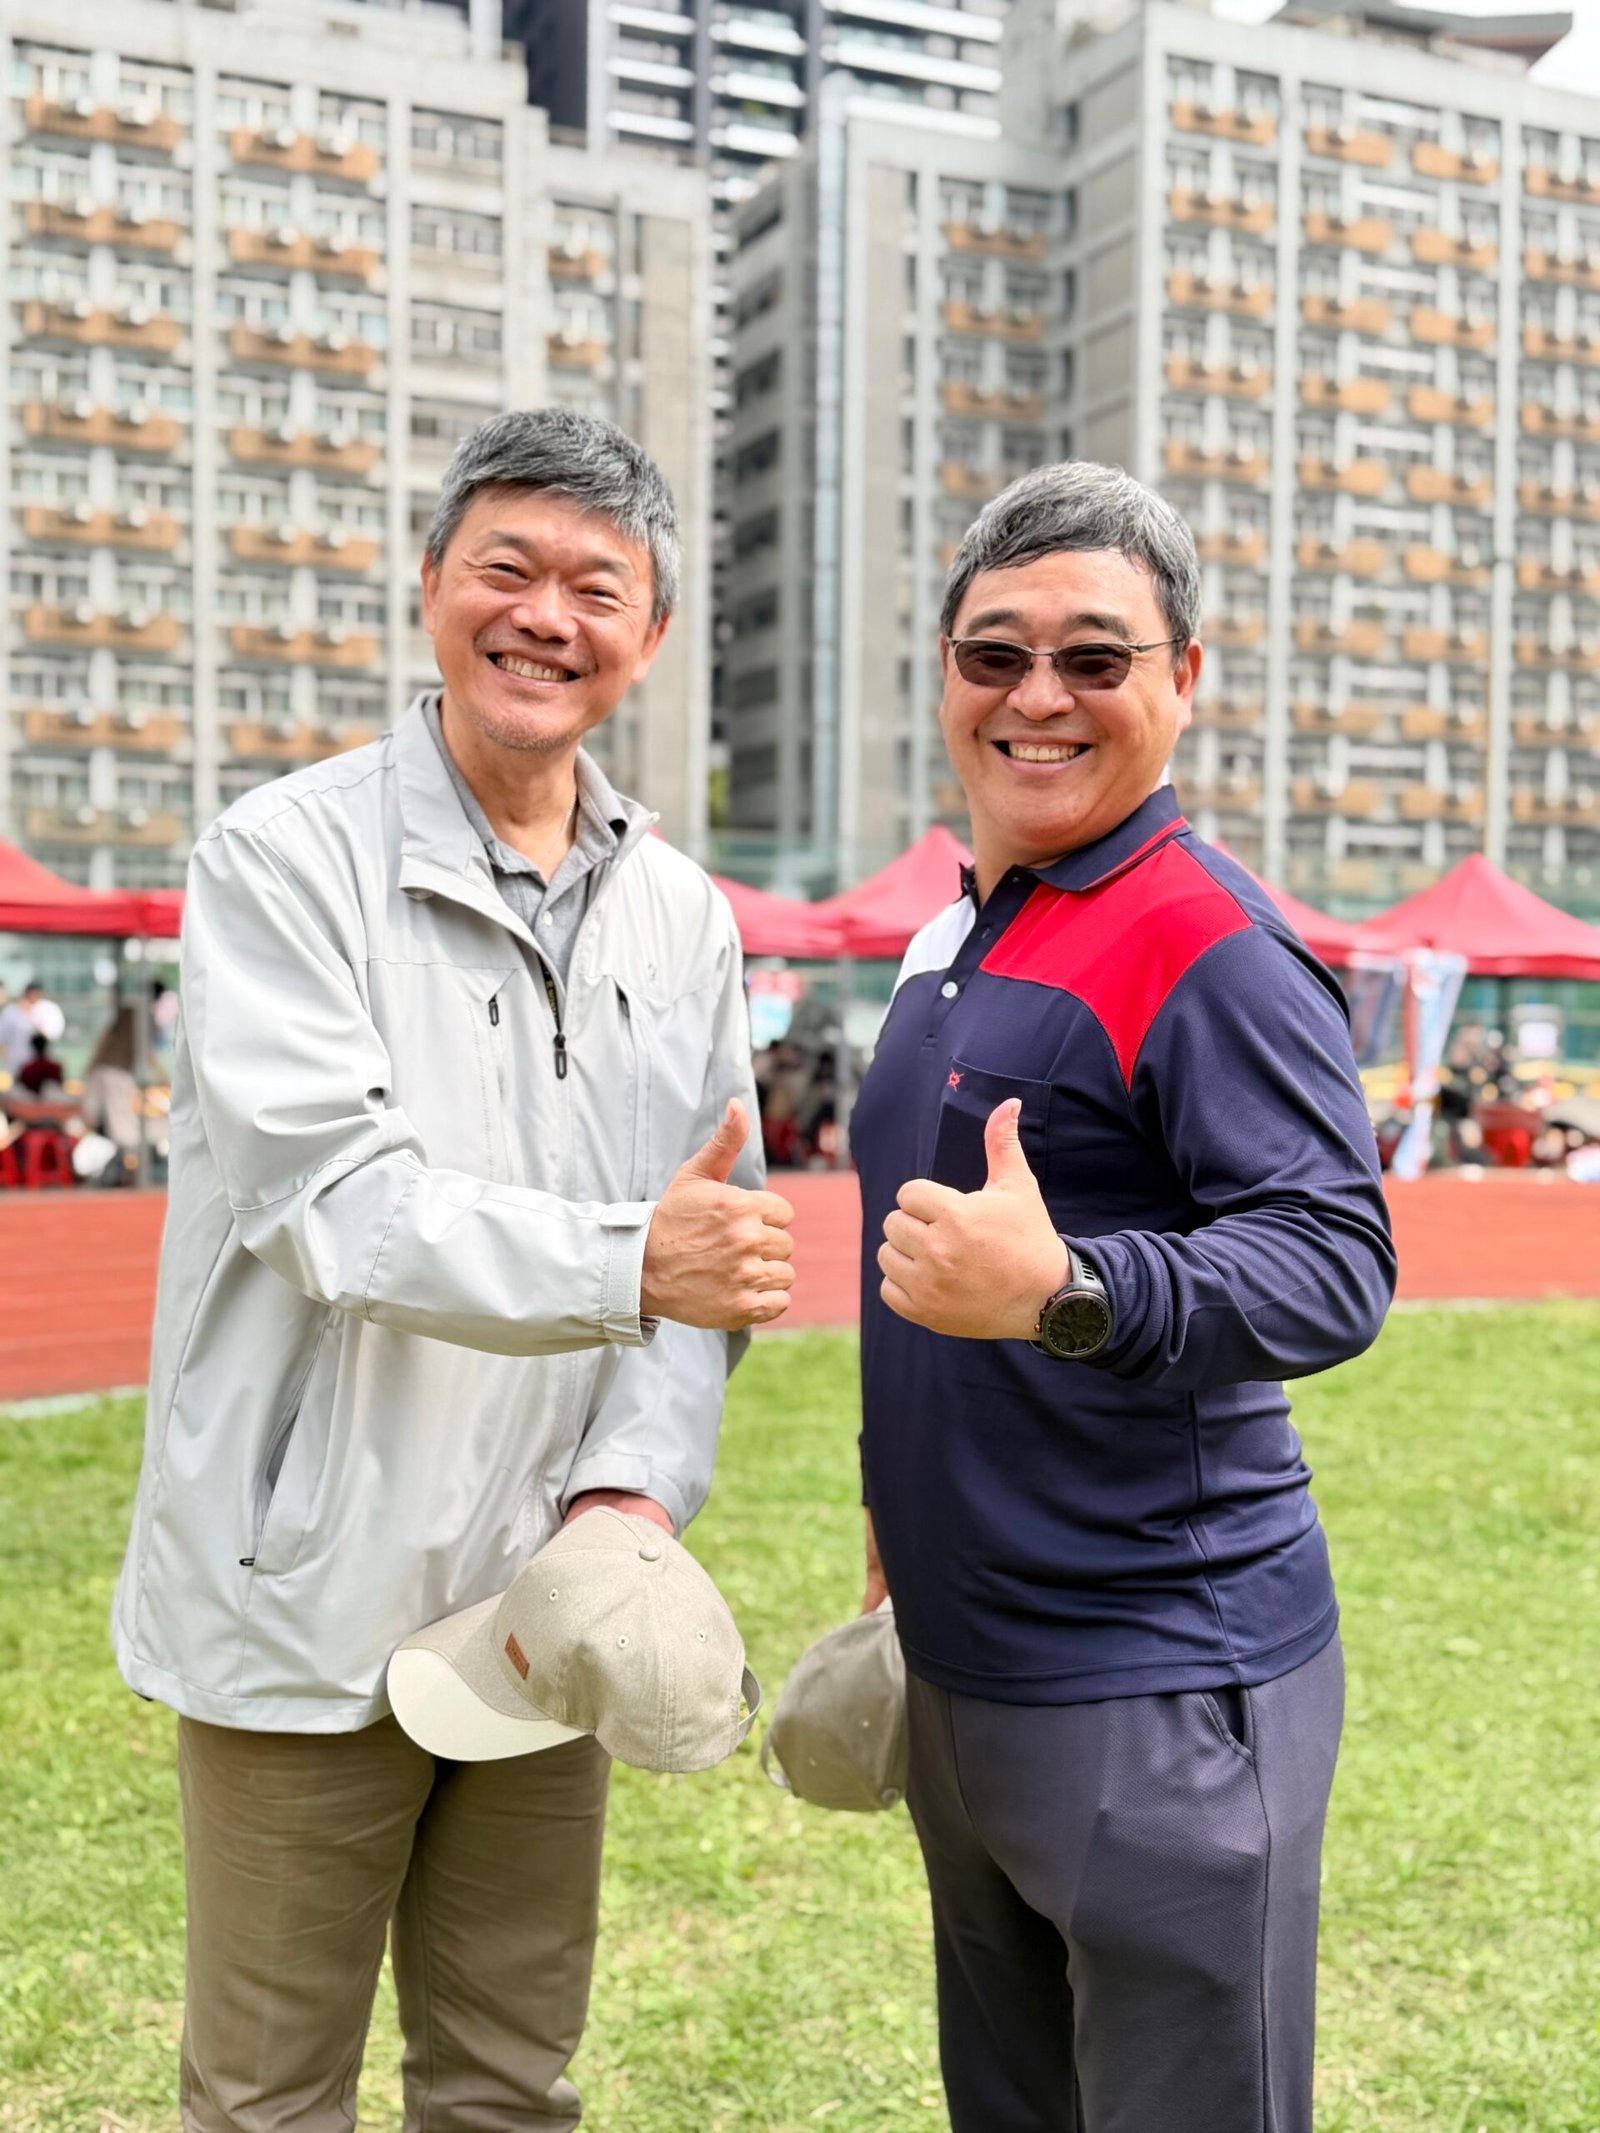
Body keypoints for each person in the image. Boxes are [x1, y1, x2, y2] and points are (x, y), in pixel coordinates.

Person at [112, 408, 796, 2133]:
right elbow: (338, 1204)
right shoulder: (283, 859)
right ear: (431, 585)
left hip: (542, 1604)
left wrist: (628, 1499)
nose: (545, 616)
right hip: (307, 1587)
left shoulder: (685, 916)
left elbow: (704, 1253)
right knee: (266, 2096)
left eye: (597, 587)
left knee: (507, 2081)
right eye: (507, 567)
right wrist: (635, 1258)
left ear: (648, 634)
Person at [852, 462, 1396, 2133]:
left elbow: (1334, 1255)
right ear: (947, 673)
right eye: (995, 653)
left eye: (1095, 656)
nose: (1039, 697)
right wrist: (892, 1506)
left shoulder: (1209, 939)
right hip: (966, 1660)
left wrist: (1073, 1288)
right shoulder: (958, 934)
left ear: (1183, 677)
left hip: (1156, 1682)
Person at [0, 979, 47, 1076]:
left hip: (35, 1065)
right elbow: (2, 1038)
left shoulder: (42, 1012)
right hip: (15, 1063)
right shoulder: (10, 1013)